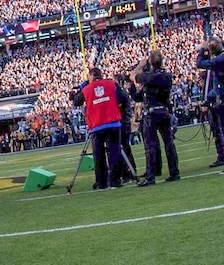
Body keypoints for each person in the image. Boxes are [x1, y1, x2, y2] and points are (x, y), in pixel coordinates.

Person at [71, 67, 130, 190]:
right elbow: (124, 98)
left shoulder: (87, 89)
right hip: (113, 123)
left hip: (97, 125)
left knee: (99, 155)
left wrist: (79, 90)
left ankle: (101, 182)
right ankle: (114, 180)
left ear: (90, 77)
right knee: (115, 151)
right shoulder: (112, 84)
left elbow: (76, 102)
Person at [132, 51, 181, 185]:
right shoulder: (167, 76)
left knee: (151, 145)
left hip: (152, 113)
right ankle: (174, 171)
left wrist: (140, 65)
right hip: (164, 110)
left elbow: (134, 76)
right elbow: (139, 95)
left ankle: (150, 176)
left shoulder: (149, 77)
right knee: (169, 143)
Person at [196, 37, 224, 167]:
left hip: (220, 99)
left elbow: (200, 63)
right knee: (218, 130)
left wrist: (202, 50)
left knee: (220, 130)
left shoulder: (218, 60)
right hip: (217, 98)